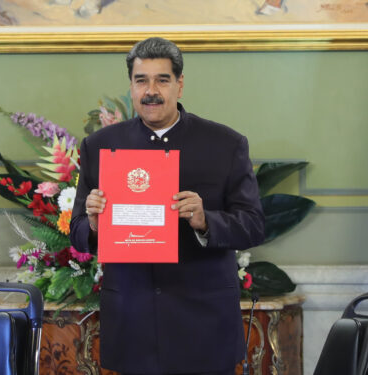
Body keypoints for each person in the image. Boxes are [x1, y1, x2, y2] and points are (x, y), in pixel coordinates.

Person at [69, 37, 265, 375]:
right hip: (132, 321)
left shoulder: (225, 144)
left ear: (180, 84)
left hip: (203, 323)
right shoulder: (99, 146)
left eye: (162, 79)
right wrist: (94, 224)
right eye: (141, 80)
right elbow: (77, 232)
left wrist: (206, 221)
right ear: (131, 86)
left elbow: (254, 225)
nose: (151, 91)